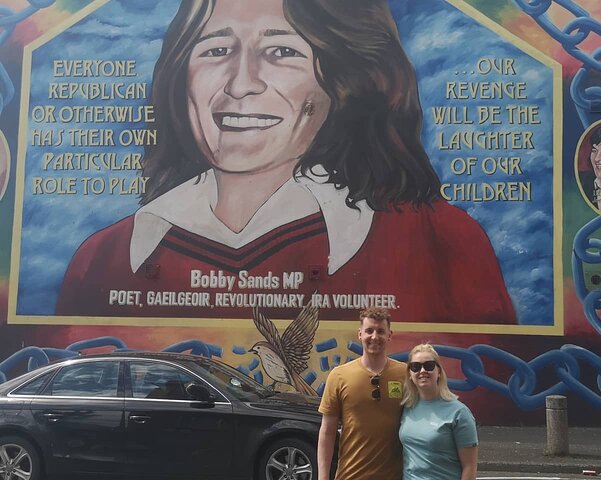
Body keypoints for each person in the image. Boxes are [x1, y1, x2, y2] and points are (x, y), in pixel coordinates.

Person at [56, 0, 515, 325]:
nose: (241, 84)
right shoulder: (104, 259)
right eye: (216, 50)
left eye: (282, 51)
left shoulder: (439, 243)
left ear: (343, 79)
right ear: (181, 77)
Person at [317, 307, 405, 480]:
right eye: (369, 331)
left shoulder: (405, 374)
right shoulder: (339, 376)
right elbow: (327, 432)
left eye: (381, 331)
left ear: (389, 335)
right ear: (360, 334)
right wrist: (323, 477)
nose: (374, 337)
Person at [400, 343, 478, 480]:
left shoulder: (459, 413)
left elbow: (469, 467)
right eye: (415, 367)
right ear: (410, 374)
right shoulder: (406, 407)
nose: (422, 371)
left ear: (439, 371)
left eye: (429, 366)